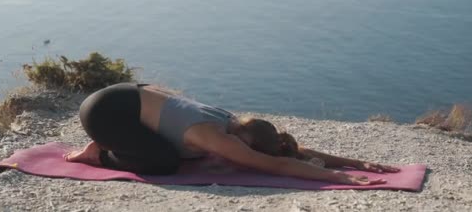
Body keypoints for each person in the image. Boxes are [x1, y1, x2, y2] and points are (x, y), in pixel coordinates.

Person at [64, 83, 399, 185]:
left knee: (176, 153)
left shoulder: (238, 123)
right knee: (163, 164)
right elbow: (277, 166)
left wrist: (356, 162)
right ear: (243, 136)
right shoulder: (218, 135)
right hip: (105, 112)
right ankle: (100, 152)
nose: (240, 151)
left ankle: (115, 143)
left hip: (126, 97)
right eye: (245, 147)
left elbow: (288, 152)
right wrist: (344, 179)